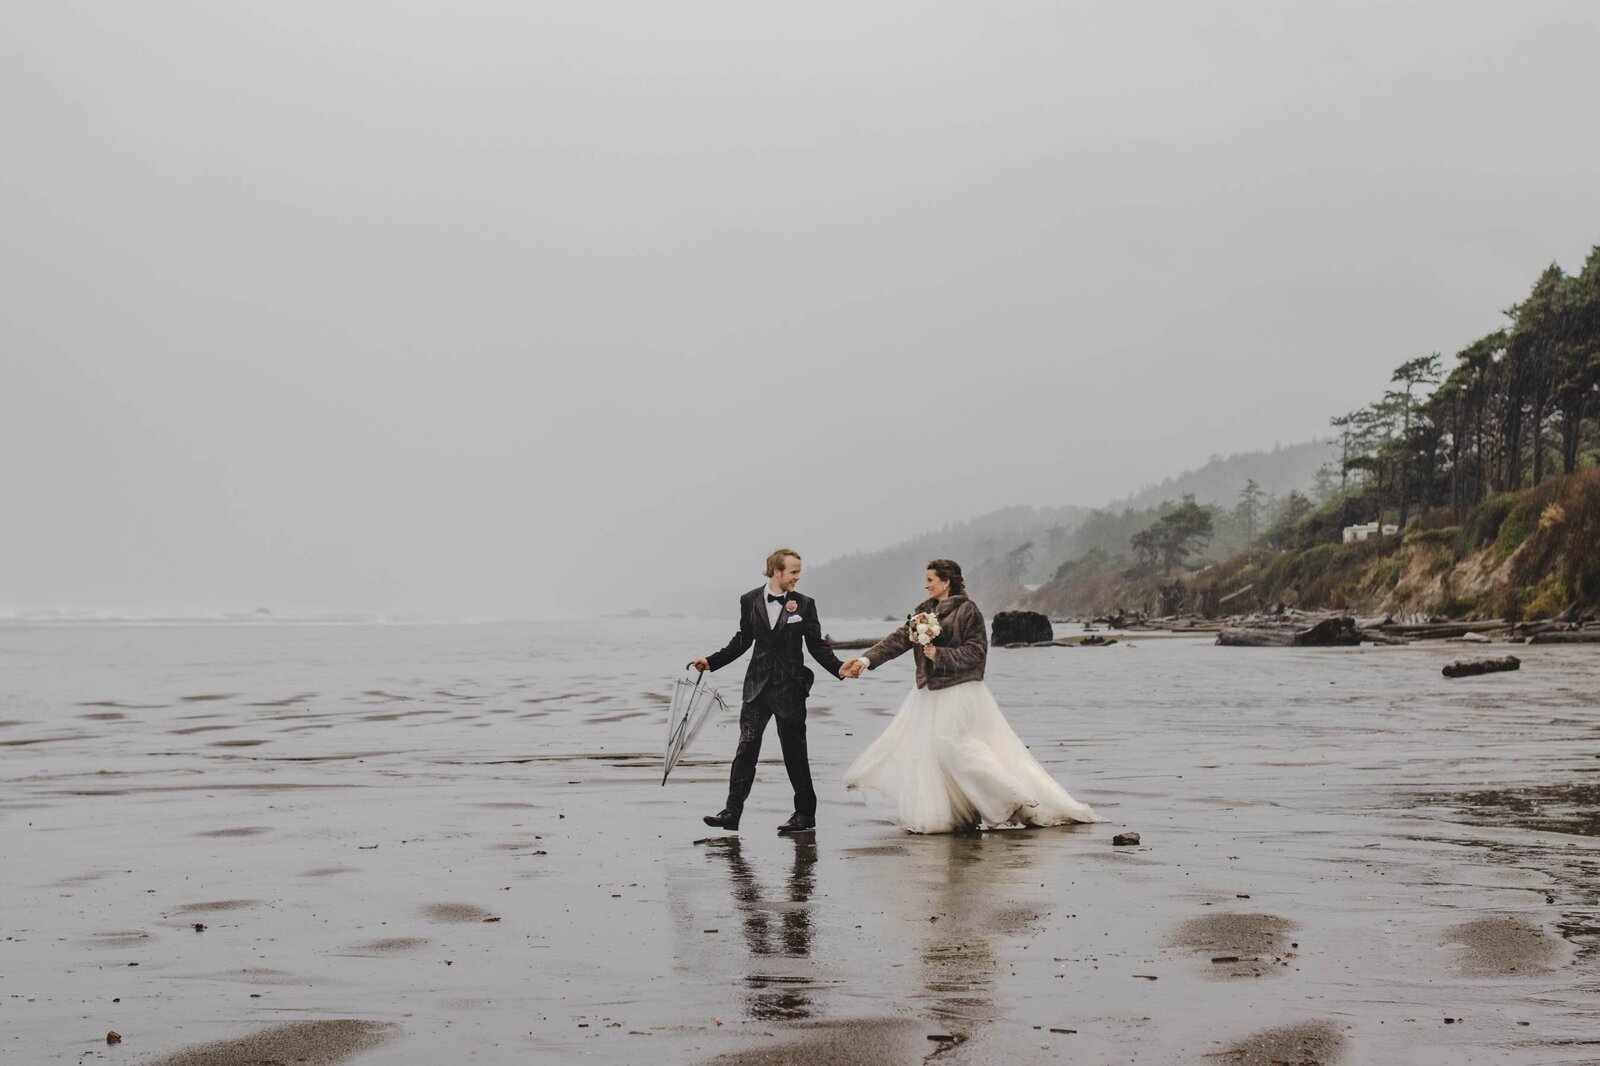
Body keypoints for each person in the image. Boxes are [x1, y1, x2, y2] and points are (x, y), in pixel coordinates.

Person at [840, 559, 1099, 834]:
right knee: (924, 752)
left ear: (946, 581)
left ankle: (1009, 796)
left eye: (930, 579)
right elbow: (898, 640)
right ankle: (952, 816)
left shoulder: (968, 611)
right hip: (929, 692)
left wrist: (940, 655)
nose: (925, 584)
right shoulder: (923, 612)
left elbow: (977, 652)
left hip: (961, 690)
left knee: (953, 745)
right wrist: (865, 662)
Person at [690, 548, 846, 834]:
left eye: (799, 572)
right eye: (794, 572)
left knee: (794, 753)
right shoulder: (749, 600)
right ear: (777, 571)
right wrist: (712, 662)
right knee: (746, 748)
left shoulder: (805, 605)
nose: (797, 577)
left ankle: (804, 815)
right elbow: (742, 640)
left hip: (791, 689)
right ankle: (731, 813)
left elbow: (816, 645)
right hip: (756, 688)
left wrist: (839, 668)